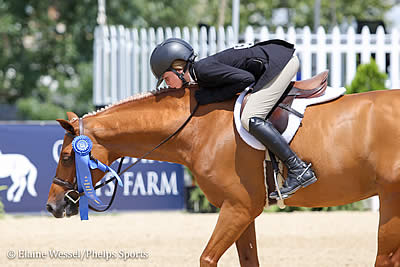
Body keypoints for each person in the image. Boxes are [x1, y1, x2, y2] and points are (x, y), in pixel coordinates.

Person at [150, 38, 317, 199]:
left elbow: (246, 80)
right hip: (278, 58)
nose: (167, 84)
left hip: (281, 63)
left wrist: (209, 97)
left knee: (250, 117)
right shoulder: (200, 71)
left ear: (178, 69)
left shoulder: (203, 71)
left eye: (166, 78)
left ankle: (298, 169)